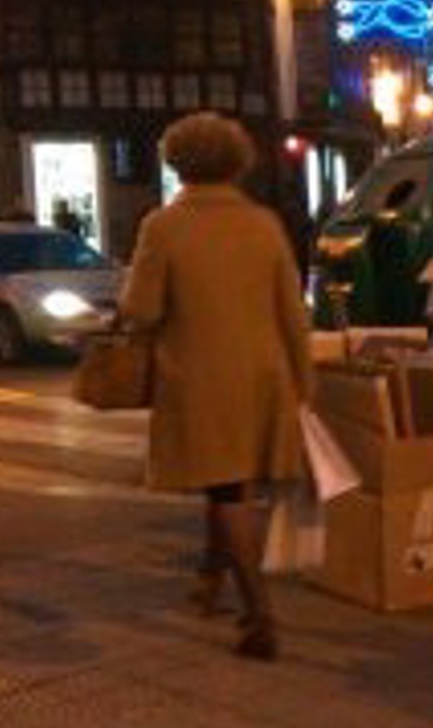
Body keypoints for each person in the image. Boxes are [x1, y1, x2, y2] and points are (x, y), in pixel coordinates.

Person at [121, 113, 315, 661]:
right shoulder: (263, 224)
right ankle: (209, 579)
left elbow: (142, 309)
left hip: (202, 377)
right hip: (265, 375)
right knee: (227, 483)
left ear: (177, 162)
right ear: (237, 162)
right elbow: (292, 311)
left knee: (227, 490)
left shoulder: (164, 226)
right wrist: (303, 382)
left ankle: (260, 616)